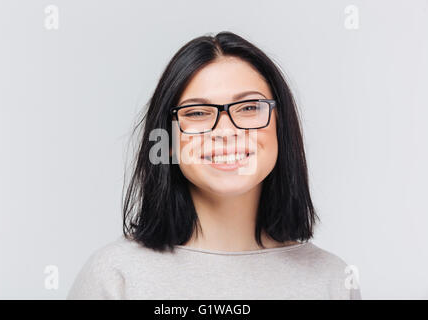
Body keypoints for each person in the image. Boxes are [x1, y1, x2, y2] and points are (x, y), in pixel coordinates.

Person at [67, 31, 362, 300]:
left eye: (248, 108)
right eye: (197, 112)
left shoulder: (332, 281)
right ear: (168, 140)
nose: (225, 131)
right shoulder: (116, 277)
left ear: (280, 127)